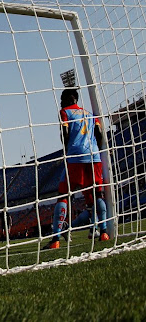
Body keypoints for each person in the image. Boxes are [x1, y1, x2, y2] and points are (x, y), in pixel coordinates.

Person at [45, 88, 109, 249]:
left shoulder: (65, 112)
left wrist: (67, 150)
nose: (60, 101)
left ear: (71, 98)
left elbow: (65, 132)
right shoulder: (90, 114)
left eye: (62, 98)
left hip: (76, 157)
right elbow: (100, 134)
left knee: (63, 195)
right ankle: (104, 232)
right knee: (97, 194)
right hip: (94, 157)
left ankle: (56, 239)